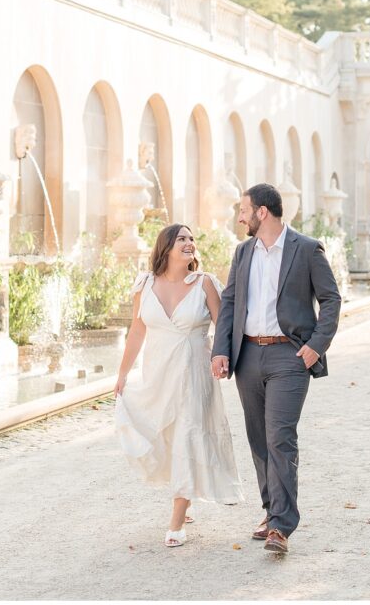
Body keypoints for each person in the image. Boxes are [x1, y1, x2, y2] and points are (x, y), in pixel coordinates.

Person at [211, 183, 341, 555]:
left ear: (262, 212)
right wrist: (221, 350)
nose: (239, 216)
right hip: (248, 356)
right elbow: (231, 302)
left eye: (243, 209)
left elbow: (331, 299)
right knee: (258, 439)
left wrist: (315, 346)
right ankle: (271, 512)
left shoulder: (307, 249)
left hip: (290, 356)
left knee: (279, 435)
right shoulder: (243, 252)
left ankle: (282, 526)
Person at [115, 223, 243, 547]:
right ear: (166, 246)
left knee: (188, 433)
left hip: (194, 373)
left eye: (191, 239)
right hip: (158, 373)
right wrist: (122, 374)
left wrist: (222, 357)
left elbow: (224, 327)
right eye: (182, 238)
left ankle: (176, 521)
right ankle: (183, 495)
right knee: (168, 436)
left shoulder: (205, 284)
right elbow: (137, 332)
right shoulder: (144, 284)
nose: (189, 243)